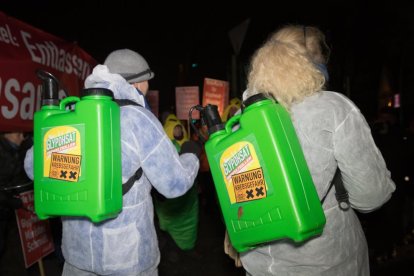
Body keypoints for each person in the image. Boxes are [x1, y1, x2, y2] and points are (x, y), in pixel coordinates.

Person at [24, 49, 200, 276]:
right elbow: (174, 184)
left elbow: (32, 167)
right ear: (138, 84)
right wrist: (191, 153)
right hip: (127, 258)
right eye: (147, 83)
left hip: (77, 257)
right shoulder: (138, 119)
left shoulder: (70, 111)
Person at [239, 25, 395, 275]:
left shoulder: (240, 118)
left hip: (259, 266)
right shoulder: (333, 109)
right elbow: (370, 197)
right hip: (327, 263)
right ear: (316, 66)